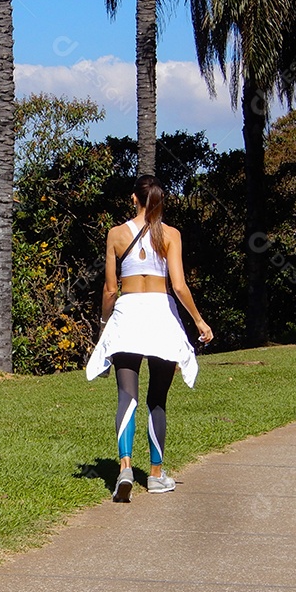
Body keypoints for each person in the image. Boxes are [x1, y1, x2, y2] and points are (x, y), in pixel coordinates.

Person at [85, 174, 213, 502]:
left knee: (127, 396)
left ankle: (125, 468)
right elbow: (180, 286)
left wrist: (104, 323)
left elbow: (110, 288)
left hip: (128, 314)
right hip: (160, 316)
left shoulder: (115, 234)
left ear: (134, 198)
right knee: (158, 399)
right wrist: (198, 321)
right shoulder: (170, 234)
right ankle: (156, 475)